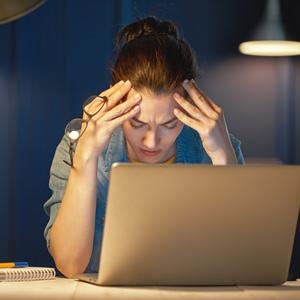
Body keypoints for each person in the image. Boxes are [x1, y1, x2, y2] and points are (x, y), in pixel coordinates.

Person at [43, 16, 245, 278]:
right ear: (117, 104)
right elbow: (70, 264)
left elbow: (238, 261)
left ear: (189, 108)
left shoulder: (215, 149)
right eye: (137, 124)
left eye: (170, 124)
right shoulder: (78, 146)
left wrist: (224, 159)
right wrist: (86, 156)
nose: (151, 141)